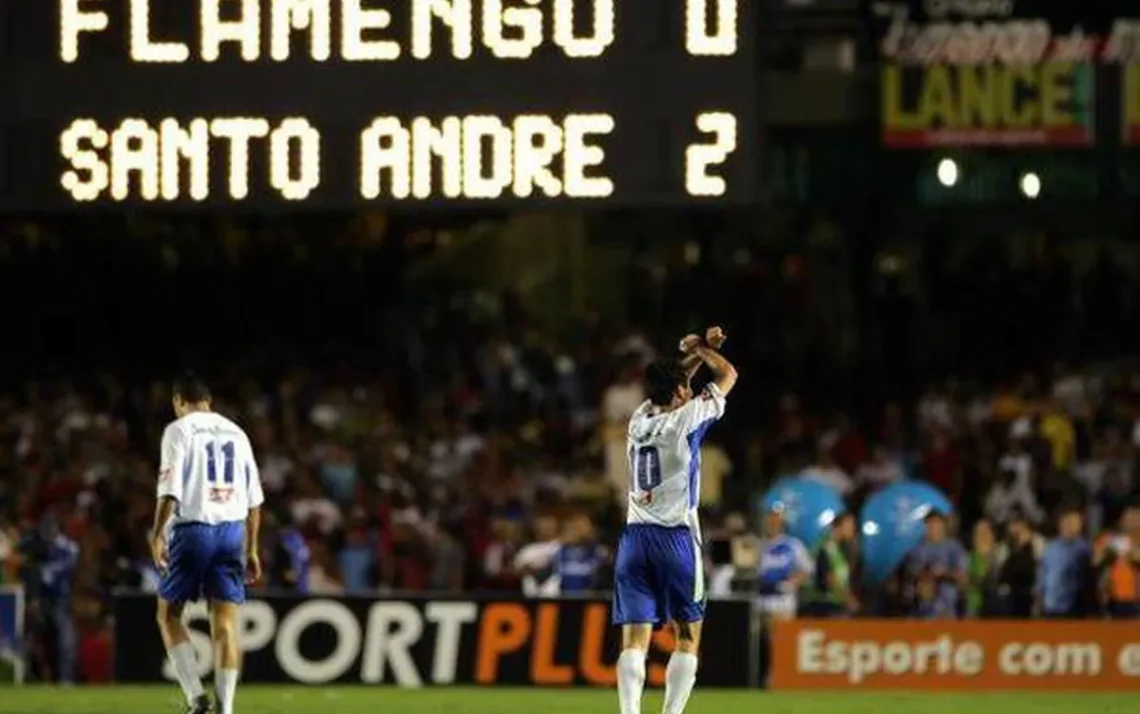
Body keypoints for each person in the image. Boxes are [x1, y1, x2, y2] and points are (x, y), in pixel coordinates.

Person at [612, 326, 737, 714]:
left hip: (634, 539)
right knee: (688, 635)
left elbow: (669, 382)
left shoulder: (638, 420)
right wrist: (703, 348)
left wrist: (696, 354)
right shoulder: (687, 420)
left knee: (634, 639)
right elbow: (729, 376)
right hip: (676, 539)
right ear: (682, 394)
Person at [150, 375, 264, 714]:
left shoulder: (179, 429)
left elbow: (169, 489)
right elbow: (255, 499)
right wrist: (253, 548)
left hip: (193, 529)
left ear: (178, 401)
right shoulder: (237, 433)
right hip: (232, 532)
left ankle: (197, 700)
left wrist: (156, 534)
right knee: (226, 622)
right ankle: (226, 709)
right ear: (209, 401)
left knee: (168, 615)